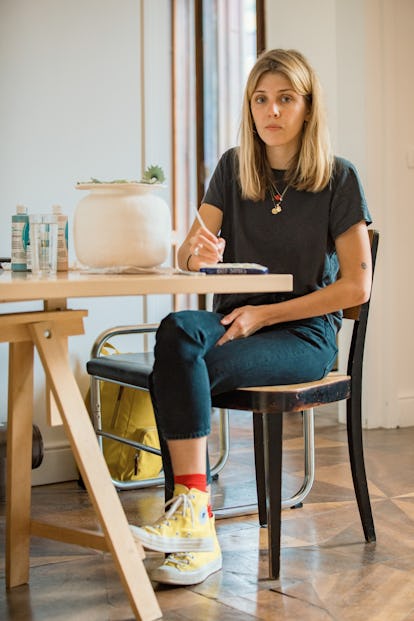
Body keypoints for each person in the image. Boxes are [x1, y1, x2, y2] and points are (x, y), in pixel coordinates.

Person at [130, 48, 372, 586]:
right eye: (261, 99)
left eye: (286, 99)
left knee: (174, 373)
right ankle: (195, 517)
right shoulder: (233, 168)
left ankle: (193, 530)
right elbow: (189, 252)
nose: (272, 111)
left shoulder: (338, 178)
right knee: (177, 333)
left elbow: (357, 285)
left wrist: (266, 316)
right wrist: (193, 254)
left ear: (307, 108)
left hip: (303, 334)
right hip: (234, 323)